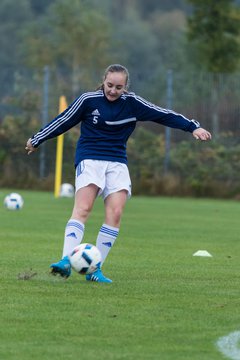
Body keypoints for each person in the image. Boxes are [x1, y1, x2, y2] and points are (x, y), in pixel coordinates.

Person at [25, 64, 211, 283]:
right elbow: (63, 120)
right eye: (109, 85)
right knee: (83, 208)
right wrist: (37, 139)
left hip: (117, 162)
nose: (113, 90)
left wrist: (193, 127)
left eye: (119, 87)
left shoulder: (133, 104)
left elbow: (164, 115)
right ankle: (66, 260)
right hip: (90, 158)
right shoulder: (88, 100)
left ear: (126, 87)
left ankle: (95, 270)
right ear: (104, 80)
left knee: (115, 214)